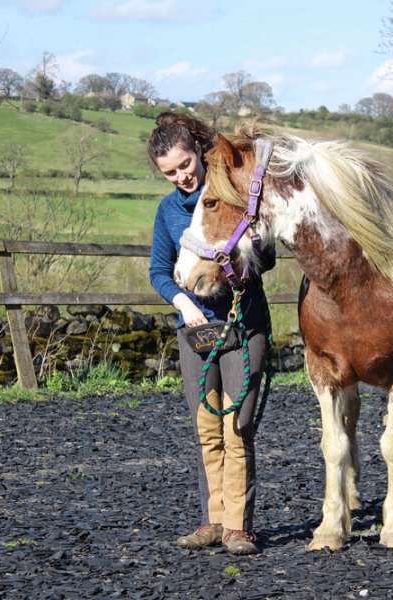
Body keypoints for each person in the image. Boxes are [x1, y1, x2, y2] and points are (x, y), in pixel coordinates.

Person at [148, 112, 274, 555]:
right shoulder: (166, 212)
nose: (182, 176)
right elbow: (159, 272)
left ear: (198, 154)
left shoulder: (232, 192)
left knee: (236, 426)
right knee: (207, 430)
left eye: (185, 164)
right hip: (195, 335)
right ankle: (213, 520)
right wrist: (182, 303)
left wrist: (238, 262)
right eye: (170, 172)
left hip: (243, 326)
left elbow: (268, 254)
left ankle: (239, 527)